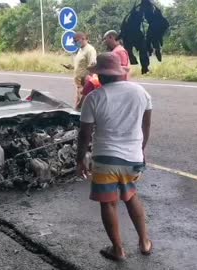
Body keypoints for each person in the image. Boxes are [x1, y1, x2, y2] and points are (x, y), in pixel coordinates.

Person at [76, 52, 153, 261]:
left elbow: (84, 134)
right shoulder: (141, 92)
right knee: (131, 196)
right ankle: (145, 242)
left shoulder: (94, 98)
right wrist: (141, 149)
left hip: (105, 160)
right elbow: (146, 126)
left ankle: (118, 250)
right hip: (133, 157)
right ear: (119, 73)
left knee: (109, 203)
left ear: (100, 76)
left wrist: (80, 159)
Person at [63, 32, 97, 110]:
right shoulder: (81, 50)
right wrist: (71, 67)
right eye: (74, 41)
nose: (75, 43)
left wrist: (88, 85)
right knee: (78, 106)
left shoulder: (90, 50)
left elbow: (93, 66)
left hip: (84, 85)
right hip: (79, 85)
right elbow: (82, 64)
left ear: (83, 39)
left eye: (76, 40)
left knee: (82, 107)